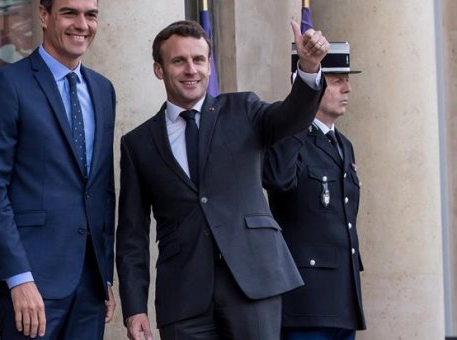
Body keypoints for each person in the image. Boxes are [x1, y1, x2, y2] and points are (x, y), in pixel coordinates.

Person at [116, 20, 329, 340]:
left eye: (199, 60)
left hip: (253, 283)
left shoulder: (242, 108)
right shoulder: (138, 143)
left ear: (209, 65)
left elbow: (292, 117)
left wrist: (309, 68)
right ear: (159, 70)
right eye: (179, 61)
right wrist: (134, 307)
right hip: (183, 296)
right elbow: (132, 234)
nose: (191, 69)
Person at [0, 0, 116, 338]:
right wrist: (18, 278)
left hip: (89, 285)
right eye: (69, 13)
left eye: (90, 15)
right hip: (30, 283)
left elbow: (102, 188)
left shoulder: (103, 90)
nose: (82, 24)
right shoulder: (6, 85)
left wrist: (104, 274)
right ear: (43, 14)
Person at [263, 42, 365, 340]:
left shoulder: (343, 144)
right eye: (336, 81)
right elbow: (278, 179)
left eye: (347, 80)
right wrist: (298, 110)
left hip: (342, 299)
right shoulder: (288, 134)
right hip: (305, 302)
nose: (347, 89)